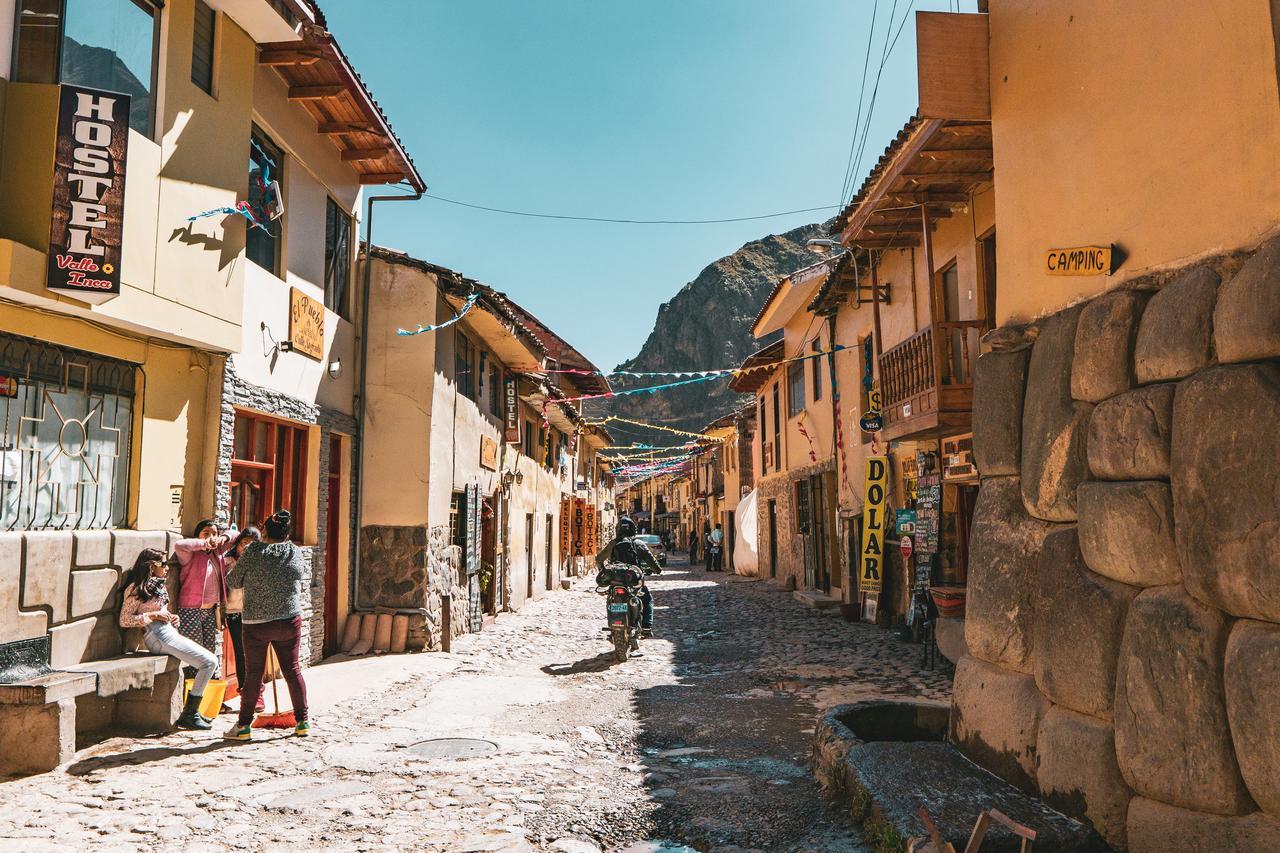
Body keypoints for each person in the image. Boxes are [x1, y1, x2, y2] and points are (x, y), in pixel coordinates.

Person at [224, 510, 310, 740]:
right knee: (292, 670)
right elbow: (301, 573)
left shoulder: (253, 552)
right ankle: (302, 722)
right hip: (289, 620)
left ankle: (243, 727)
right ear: (287, 532)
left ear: (264, 531)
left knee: (253, 674)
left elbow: (233, 580)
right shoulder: (294, 551)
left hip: (256, 623)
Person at [118, 548, 218, 730]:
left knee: (211, 661)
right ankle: (190, 713)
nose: (167, 568)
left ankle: (192, 711)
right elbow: (124, 620)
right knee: (209, 662)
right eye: (163, 564)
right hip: (156, 636)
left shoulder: (158, 585)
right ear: (151, 566)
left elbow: (160, 611)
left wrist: (170, 616)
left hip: (168, 632)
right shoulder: (136, 588)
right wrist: (154, 615)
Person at [174, 519, 237, 678]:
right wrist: (204, 543)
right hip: (190, 610)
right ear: (198, 536)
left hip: (210, 611)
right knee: (195, 654)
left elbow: (237, 535)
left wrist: (224, 538)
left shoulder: (218, 553)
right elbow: (179, 545)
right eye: (206, 533)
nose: (211, 536)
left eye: (214, 533)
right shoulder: (190, 555)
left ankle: (206, 695)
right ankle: (191, 694)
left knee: (209, 653)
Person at [595, 517, 662, 637]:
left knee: (611, 599)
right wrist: (657, 570)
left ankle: (613, 625)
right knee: (647, 599)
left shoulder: (613, 543)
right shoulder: (638, 544)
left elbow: (599, 559)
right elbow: (651, 560)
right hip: (633, 579)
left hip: (615, 580)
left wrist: (603, 571)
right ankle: (646, 627)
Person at [223, 526, 264, 713]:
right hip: (234, 612)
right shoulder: (228, 561)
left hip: (254, 613)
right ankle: (246, 694)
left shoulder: (261, 564)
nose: (246, 548)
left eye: (252, 545)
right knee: (241, 654)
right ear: (237, 544)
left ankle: (258, 694)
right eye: (244, 543)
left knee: (255, 655)